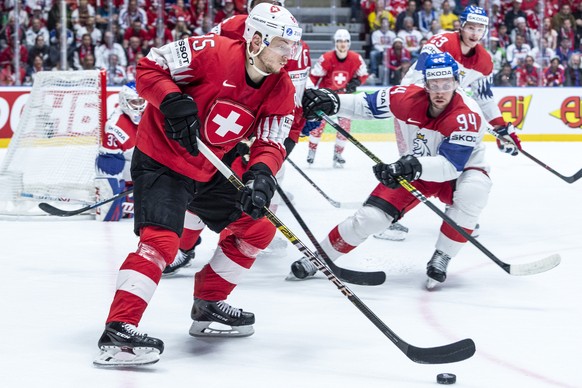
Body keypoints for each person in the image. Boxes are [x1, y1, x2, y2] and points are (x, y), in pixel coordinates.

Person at [93, 3, 301, 367]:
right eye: (282, 45)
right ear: (256, 39)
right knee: (161, 241)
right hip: (162, 159)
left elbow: (271, 140)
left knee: (257, 228)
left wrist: (261, 176)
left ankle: (208, 306)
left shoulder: (280, 88)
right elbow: (149, 67)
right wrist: (171, 99)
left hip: (212, 168)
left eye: (292, 46)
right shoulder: (212, 52)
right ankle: (118, 331)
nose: (290, 54)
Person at [290, 52, 493, 290]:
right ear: (424, 83)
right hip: (415, 168)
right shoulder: (404, 97)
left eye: (446, 84)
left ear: (457, 82)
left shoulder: (467, 115)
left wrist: (408, 166)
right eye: (433, 84)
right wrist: (333, 101)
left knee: (473, 192)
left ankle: (443, 255)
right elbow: (364, 105)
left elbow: (449, 167)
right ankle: (319, 257)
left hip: (460, 172)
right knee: (370, 218)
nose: (440, 91)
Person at [375, 5, 522, 241]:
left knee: (452, 161)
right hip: (413, 111)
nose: (475, 33)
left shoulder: (485, 61)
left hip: (447, 115)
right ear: (461, 25)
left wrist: (500, 125)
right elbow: (423, 78)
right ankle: (386, 217)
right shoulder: (441, 41)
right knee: (410, 163)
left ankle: (458, 212)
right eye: (471, 27)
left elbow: (484, 97)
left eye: (480, 28)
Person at [307, 28, 368, 168]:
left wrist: (357, 82)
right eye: (340, 41)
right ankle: (311, 151)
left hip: (344, 99)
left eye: (345, 41)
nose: (342, 44)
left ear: (349, 43)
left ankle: (338, 154)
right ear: (335, 42)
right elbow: (314, 76)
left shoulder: (356, 58)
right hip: (326, 97)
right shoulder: (327, 58)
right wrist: (312, 93)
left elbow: (363, 74)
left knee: (344, 127)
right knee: (318, 126)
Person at [95, 81, 145, 222]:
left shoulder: (152, 114)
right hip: (129, 178)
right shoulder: (115, 126)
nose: (139, 106)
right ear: (124, 102)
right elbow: (109, 167)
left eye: (141, 101)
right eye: (134, 102)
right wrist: (110, 194)